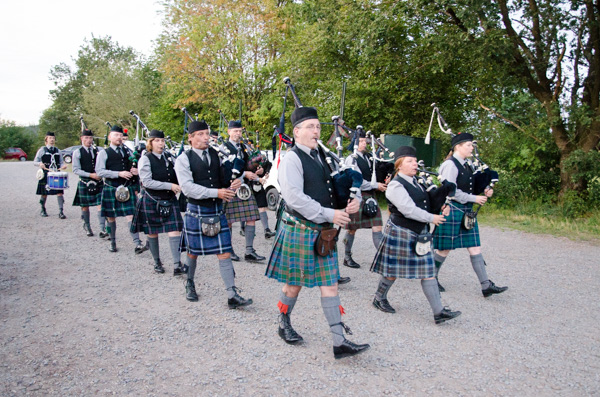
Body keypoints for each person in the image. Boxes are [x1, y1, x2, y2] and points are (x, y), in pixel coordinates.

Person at [265, 106, 370, 359]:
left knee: (330, 284)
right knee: (294, 284)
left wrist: (349, 202)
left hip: (322, 231)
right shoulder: (292, 159)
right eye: (311, 127)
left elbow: (332, 188)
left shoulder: (320, 156)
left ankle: (339, 341)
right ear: (297, 131)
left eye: (318, 127)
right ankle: (283, 321)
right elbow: (294, 198)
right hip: (300, 229)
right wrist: (330, 214)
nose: (316, 131)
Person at [370, 146, 461, 324]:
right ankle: (379, 298)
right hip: (401, 231)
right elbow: (409, 210)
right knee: (391, 272)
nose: (414, 164)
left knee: (428, 272)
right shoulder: (396, 185)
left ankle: (439, 312)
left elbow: (426, 202)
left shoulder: (417, 182)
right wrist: (431, 218)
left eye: (415, 160)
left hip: (420, 232)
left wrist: (441, 206)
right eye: (409, 161)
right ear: (399, 165)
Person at [175, 120, 253, 309]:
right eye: (200, 134)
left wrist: (232, 184)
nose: (205, 138)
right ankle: (190, 283)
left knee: (224, 252)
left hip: (216, 209)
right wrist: (216, 193)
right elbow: (187, 188)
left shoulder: (217, 155)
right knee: (193, 253)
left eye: (207, 134)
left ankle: (231, 294)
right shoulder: (183, 159)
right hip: (197, 210)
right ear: (191, 138)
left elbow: (225, 178)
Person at [433, 133, 508, 297]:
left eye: (472, 145)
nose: (472, 147)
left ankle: (486, 285)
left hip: (466, 211)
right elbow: (450, 192)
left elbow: (470, 186)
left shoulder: (467, 164)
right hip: (451, 209)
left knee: (474, 247)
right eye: (468, 145)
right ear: (457, 147)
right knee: (444, 249)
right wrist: (475, 198)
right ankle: (431, 278)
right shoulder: (450, 165)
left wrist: (485, 190)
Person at [131, 129, 186, 275]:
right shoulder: (145, 159)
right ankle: (157, 262)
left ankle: (177, 265)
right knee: (152, 232)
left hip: (169, 199)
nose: (161, 143)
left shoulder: (168, 158)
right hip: (152, 199)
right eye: (157, 141)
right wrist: (170, 186)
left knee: (174, 230)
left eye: (162, 141)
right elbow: (147, 181)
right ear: (151, 143)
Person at [95, 125, 148, 254]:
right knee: (111, 217)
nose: (119, 138)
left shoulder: (127, 151)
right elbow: (99, 171)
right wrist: (118, 173)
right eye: (116, 135)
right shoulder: (104, 153)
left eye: (120, 135)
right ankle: (112, 242)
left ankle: (137, 243)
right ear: (110, 137)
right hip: (111, 188)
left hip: (127, 188)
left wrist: (135, 171)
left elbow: (134, 166)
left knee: (131, 215)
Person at [220, 121, 265, 262]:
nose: (238, 134)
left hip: (244, 187)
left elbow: (249, 164)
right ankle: (229, 249)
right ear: (228, 132)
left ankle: (249, 251)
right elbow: (223, 169)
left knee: (251, 217)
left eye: (239, 131)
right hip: (231, 186)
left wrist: (258, 170)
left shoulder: (244, 147)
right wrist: (244, 174)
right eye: (235, 131)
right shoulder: (223, 148)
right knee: (228, 221)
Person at [342, 129, 387, 268]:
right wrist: (376, 185)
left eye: (364, 141)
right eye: (360, 141)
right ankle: (347, 257)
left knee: (377, 226)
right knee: (352, 229)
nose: (363, 144)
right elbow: (357, 180)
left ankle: (384, 260)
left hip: (370, 196)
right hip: (357, 197)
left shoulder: (368, 157)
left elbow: (374, 174)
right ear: (354, 143)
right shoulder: (352, 159)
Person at [72, 128, 106, 237]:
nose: (89, 140)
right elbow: (75, 170)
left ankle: (102, 228)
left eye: (90, 138)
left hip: (98, 181)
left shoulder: (98, 151)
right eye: (86, 138)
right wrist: (90, 175)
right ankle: (87, 226)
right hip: (85, 182)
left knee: (100, 204)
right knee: (85, 206)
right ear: (82, 138)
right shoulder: (77, 152)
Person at [33, 131, 68, 219]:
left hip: (56, 173)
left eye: (53, 138)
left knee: (59, 193)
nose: (52, 140)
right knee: (44, 193)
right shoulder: (42, 150)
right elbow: (35, 161)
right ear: (46, 139)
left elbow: (60, 162)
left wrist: (63, 166)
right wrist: (39, 164)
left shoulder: (58, 151)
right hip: (46, 173)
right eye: (50, 138)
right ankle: (43, 209)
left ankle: (61, 211)